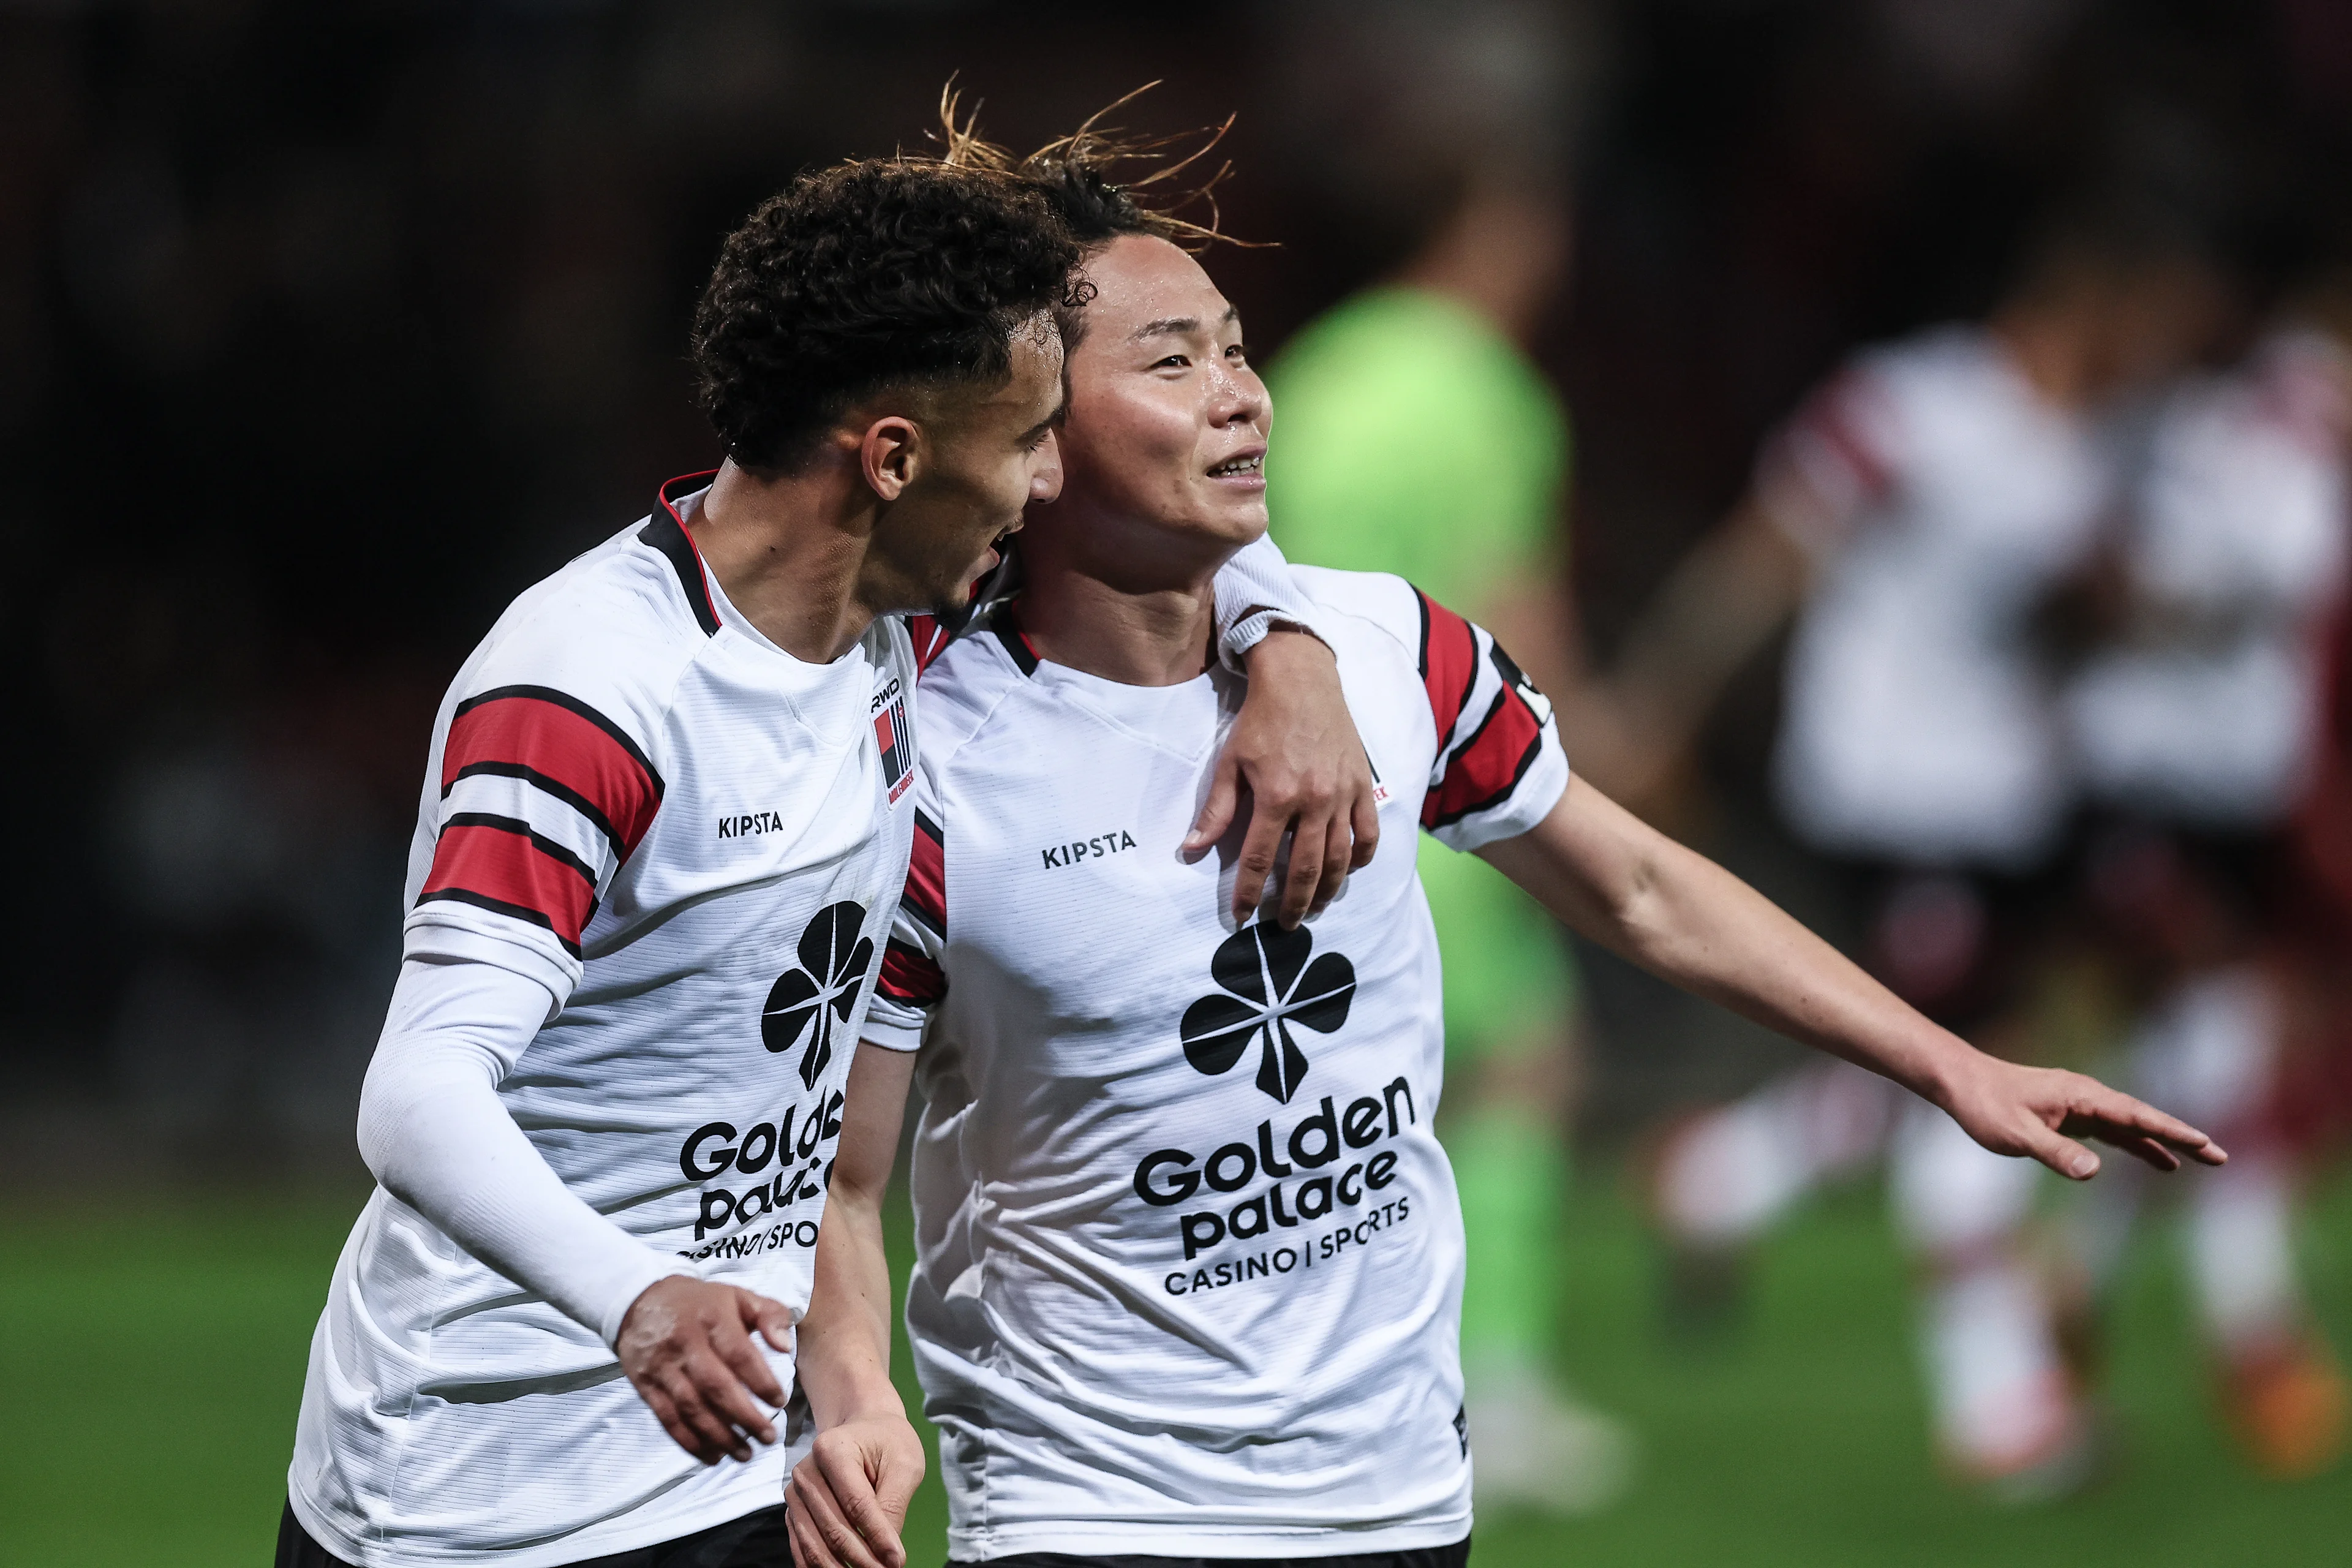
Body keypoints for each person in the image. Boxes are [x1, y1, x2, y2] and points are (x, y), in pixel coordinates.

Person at [779, 134, 2223, 1568]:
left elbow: (1643, 888)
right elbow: (840, 1178)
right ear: (1030, 429)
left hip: (1406, 1497)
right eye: (1172, 364)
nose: (1241, 399)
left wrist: (1950, 1063)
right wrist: (849, 1403)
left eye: (1236, 349)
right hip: (1096, 1512)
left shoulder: (1393, 652)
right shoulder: (918, 763)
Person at [277, 147, 1380, 1568]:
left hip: (735, 1456)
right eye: (1028, 437)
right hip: (482, 1491)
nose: (1050, 480)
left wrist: (1281, 638)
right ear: (895, 456)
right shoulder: (589, 694)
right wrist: (638, 1298)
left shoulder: (888, 620)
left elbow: (1195, 520)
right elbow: (418, 1091)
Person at [1629, 201, 2231, 1493]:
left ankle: (1723, 1176)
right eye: (2156, 310)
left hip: (2022, 797)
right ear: (2089, 291)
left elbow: (2073, 622)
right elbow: (1768, 553)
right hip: (1895, 795)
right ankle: (2001, 1407)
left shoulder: (2098, 444)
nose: (2169, 342)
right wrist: (1665, 700)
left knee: (2002, 1047)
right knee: (1977, 1075)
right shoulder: (1916, 407)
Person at [1262, 18, 1623, 1509]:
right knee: (1527, 1073)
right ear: (1496, 220)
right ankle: (1503, 1386)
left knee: (1341, 1121)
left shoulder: (1315, 371)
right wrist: (1594, 760)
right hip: (1440, 795)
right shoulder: (1482, 388)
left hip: (1293, 778)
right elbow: (1513, 616)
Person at [2054, 270, 2352, 1477]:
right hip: (2166, 784)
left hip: (2206, 787)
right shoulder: (2281, 435)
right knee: (2220, 1049)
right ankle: (2255, 1341)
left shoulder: (2232, 421)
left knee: (2176, 1064)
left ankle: (2068, 1287)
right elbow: (2240, 586)